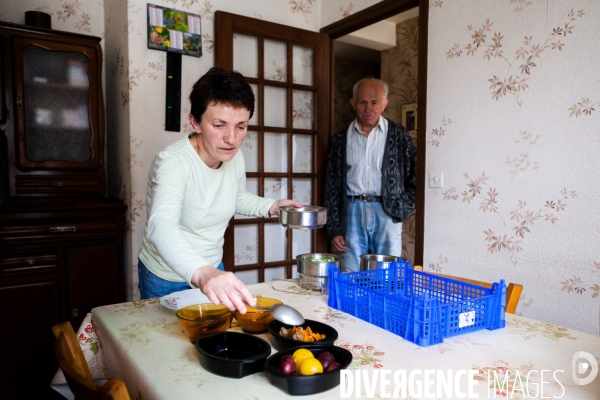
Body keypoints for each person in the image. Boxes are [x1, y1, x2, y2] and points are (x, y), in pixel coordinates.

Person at [138, 67, 302, 312]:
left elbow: (234, 197)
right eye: (219, 125)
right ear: (195, 122)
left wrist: (271, 206)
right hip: (166, 277)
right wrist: (204, 274)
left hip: (213, 268)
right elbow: (161, 226)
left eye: (241, 126)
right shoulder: (173, 162)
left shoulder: (232, 157)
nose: (232, 139)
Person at [323, 77, 416, 272]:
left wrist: (400, 208)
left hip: (387, 212)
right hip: (351, 211)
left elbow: (415, 177)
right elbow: (331, 186)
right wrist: (334, 229)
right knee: (350, 271)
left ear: (384, 104)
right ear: (353, 103)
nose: (368, 108)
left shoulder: (399, 136)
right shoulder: (341, 138)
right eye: (362, 102)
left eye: (374, 102)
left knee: (387, 274)